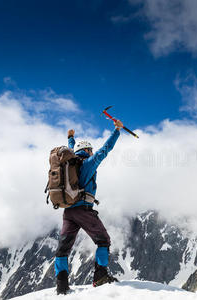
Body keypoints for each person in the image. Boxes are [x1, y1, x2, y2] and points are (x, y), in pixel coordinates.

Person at [54, 119, 123, 295]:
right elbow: (105, 150)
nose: (92, 152)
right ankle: (100, 277)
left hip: (68, 212)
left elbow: (72, 149)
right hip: (83, 210)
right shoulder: (88, 164)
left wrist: (71, 137)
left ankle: (61, 285)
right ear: (86, 151)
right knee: (103, 241)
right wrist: (117, 130)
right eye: (90, 149)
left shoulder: (71, 164)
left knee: (63, 249)